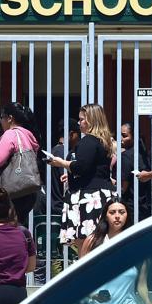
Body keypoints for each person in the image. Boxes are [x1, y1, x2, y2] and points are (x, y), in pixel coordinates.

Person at [80, 198, 152, 304]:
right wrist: (93, 295)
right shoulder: (93, 241)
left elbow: (142, 284)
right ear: (105, 216)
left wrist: (147, 301)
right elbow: (81, 277)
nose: (117, 216)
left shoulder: (136, 245)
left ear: (127, 215)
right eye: (112, 212)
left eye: (121, 212)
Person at [48, 104, 114, 249]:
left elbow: (81, 167)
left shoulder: (88, 141)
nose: (79, 123)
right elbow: (95, 169)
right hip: (102, 194)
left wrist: (61, 163)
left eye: (82, 119)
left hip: (89, 197)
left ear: (91, 120)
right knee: (101, 241)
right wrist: (71, 174)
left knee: (86, 242)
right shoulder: (104, 141)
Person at [0, 102, 42, 222]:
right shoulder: (28, 134)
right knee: (20, 224)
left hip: (15, 191)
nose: (1, 121)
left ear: (10, 118)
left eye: (2, 117)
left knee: (10, 225)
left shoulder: (10, 134)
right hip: (29, 191)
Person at [117, 121, 152, 220]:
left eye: (124, 136)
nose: (120, 139)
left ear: (133, 137)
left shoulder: (126, 156)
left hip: (130, 205)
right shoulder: (145, 155)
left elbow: (123, 187)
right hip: (145, 204)